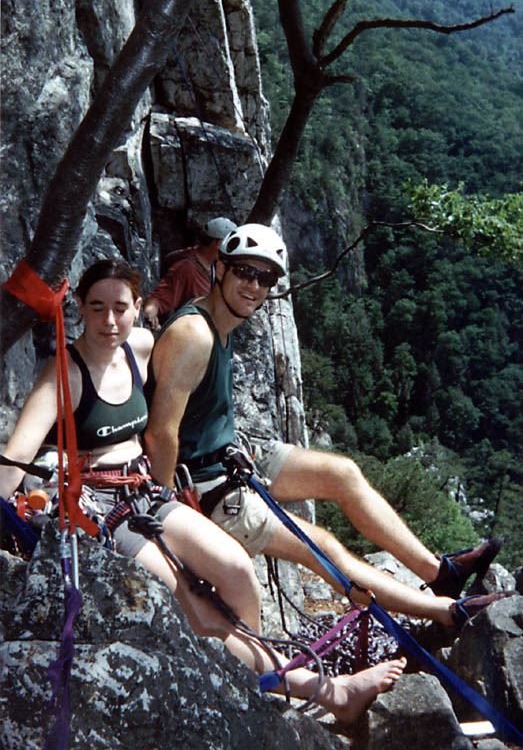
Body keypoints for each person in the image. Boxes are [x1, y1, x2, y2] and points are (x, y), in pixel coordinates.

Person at [0, 257, 407, 723]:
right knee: (190, 603)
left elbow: (181, 389)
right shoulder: (64, 374)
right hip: (96, 508)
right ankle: (329, 692)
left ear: (138, 306)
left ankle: (252, 678)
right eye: (96, 308)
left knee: (237, 570)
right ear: (78, 307)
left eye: (120, 307)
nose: (109, 321)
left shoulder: (140, 345)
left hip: (146, 489)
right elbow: (12, 466)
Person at [145, 224, 506, 628]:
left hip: (226, 458)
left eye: (265, 278)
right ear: (221, 269)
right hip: (205, 487)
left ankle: (441, 575)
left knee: (343, 474)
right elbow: (160, 435)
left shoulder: (219, 321)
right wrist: (166, 514)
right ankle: (447, 613)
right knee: (324, 545)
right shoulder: (194, 334)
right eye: (245, 272)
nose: (254, 286)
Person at [143, 217, 237, 330]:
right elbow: (158, 297)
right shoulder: (185, 268)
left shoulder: (213, 264)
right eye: (230, 245)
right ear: (218, 243)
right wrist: (150, 313)